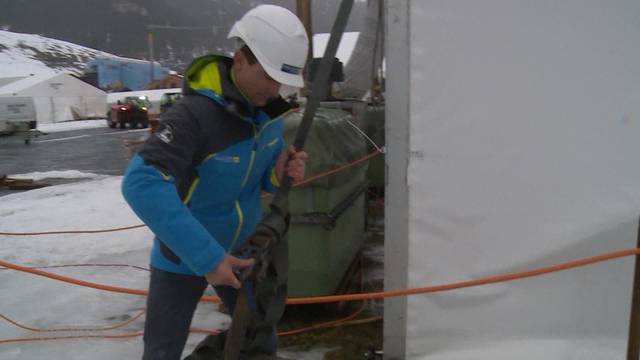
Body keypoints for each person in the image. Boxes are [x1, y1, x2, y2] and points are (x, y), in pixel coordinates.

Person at [121, 5, 309, 359]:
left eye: (280, 80)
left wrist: (278, 172)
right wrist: (207, 258)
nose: (274, 89)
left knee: (259, 341)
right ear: (239, 60)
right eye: (268, 76)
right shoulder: (193, 116)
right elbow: (141, 183)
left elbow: (256, 182)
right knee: (162, 352)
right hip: (182, 256)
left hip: (241, 253)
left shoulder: (266, 116)